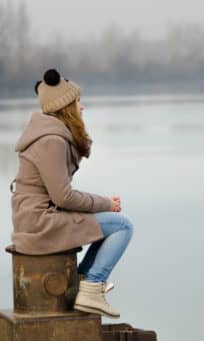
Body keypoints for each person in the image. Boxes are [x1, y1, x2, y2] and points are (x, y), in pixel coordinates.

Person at [10, 68, 134, 318]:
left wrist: (102, 204)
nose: (83, 107)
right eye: (78, 101)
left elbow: (59, 195)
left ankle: (83, 285)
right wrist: (106, 204)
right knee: (121, 226)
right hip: (41, 223)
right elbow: (63, 197)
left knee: (108, 227)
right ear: (66, 107)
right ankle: (92, 286)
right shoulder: (51, 141)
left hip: (37, 220)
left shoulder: (50, 136)